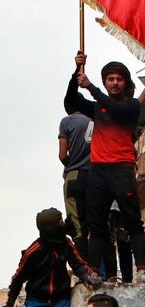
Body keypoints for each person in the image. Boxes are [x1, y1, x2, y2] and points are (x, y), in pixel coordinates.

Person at [65, 51, 145, 283]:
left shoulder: (132, 107)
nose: (114, 82)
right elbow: (70, 101)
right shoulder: (97, 108)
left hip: (122, 170)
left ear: (125, 83)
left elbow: (118, 110)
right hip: (98, 171)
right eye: (110, 79)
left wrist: (92, 87)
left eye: (118, 79)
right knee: (96, 226)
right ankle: (95, 271)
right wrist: (76, 71)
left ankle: (142, 269)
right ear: (106, 82)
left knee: (132, 221)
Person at [0, 209, 97, 307]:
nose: (64, 224)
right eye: (60, 222)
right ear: (51, 228)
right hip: (36, 302)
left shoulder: (66, 243)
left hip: (60, 300)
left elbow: (77, 263)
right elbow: (18, 278)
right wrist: (9, 304)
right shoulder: (33, 251)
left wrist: (86, 275)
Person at [59, 109, 92, 258]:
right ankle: (102, 270)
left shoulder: (67, 121)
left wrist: (71, 164)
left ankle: (84, 272)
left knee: (78, 227)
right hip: (95, 177)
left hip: (74, 176)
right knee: (97, 225)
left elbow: (62, 155)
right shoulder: (95, 121)